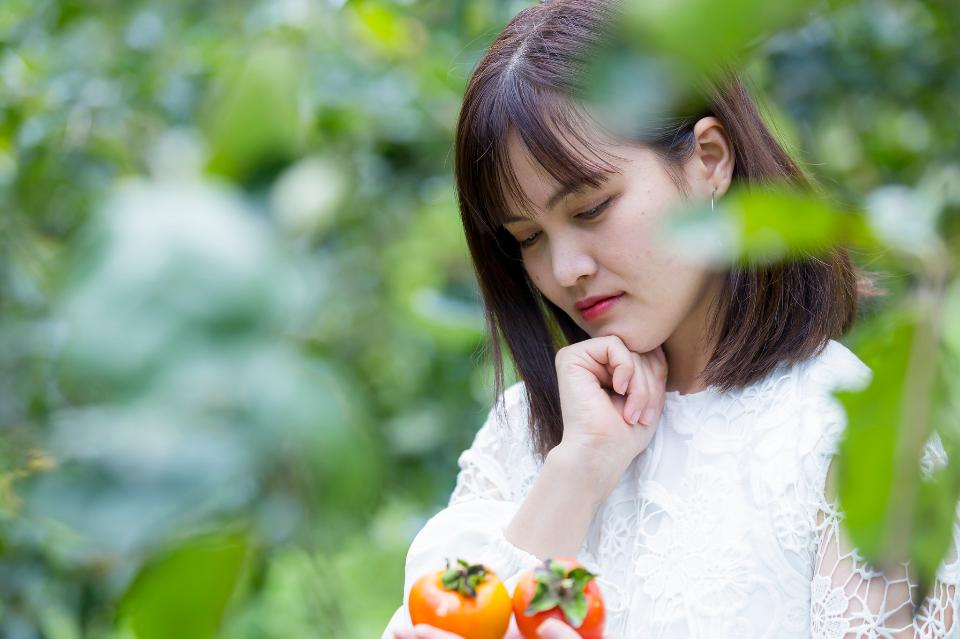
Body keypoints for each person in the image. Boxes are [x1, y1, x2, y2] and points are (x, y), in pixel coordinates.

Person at [382, 1, 959, 637]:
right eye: (527, 238)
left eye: (592, 208)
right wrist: (577, 472)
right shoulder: (524, 435)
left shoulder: (852, 444)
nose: (566, 268)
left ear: (708, 158)